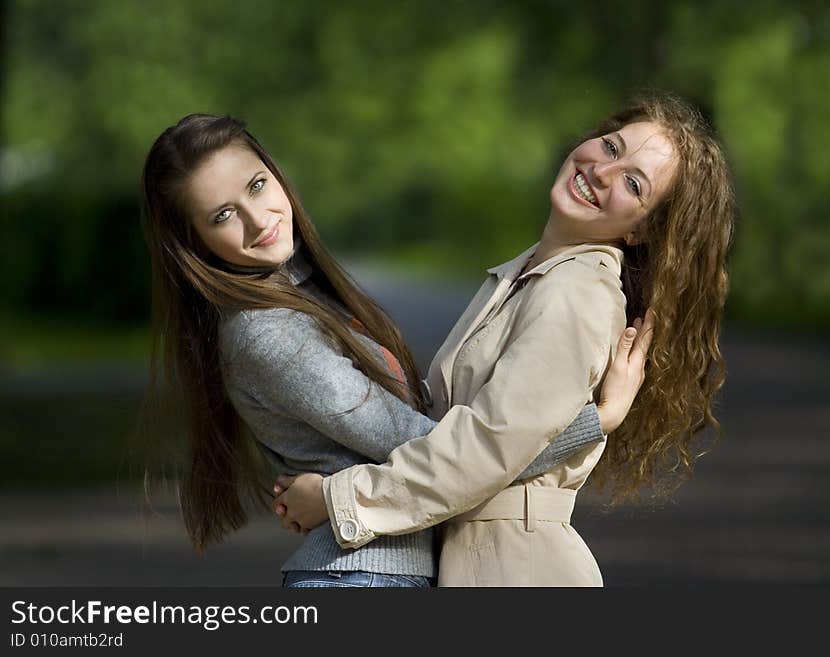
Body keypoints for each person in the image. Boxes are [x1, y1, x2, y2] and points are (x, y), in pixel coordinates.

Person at [140, 114, 651, 588]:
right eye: (224, 214)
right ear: (195, 242)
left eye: (256, 186)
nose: (258, 220)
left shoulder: (305, 295)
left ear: (274, 174)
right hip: (359, 576)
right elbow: (444, 450)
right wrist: (596, 420)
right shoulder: (268, 331)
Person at [274, 92, 735, 586]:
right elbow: (470, 431)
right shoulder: (531, 273)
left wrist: (339, 498)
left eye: (632, 183)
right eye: (611, 147)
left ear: (642, 230)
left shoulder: (578, 292)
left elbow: (483, 451)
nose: (602, 171)